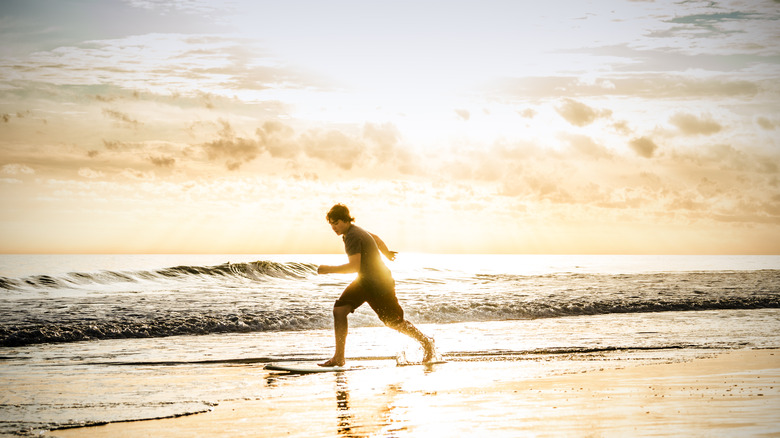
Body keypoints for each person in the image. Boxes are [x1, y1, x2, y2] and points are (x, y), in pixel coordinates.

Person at [317, 204, 435, 367]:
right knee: (339, 310)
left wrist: (328, 270)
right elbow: (377, 239)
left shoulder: (352, 235)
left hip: (379, 284)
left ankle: (426, 342)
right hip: (365, 282)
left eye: (336, 223)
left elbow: (354, 267)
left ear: (345, 220)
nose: (333, 227)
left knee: (394, 322)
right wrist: (386, 253)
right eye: (331, 224)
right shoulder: (354, 231)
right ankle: (339, 358)